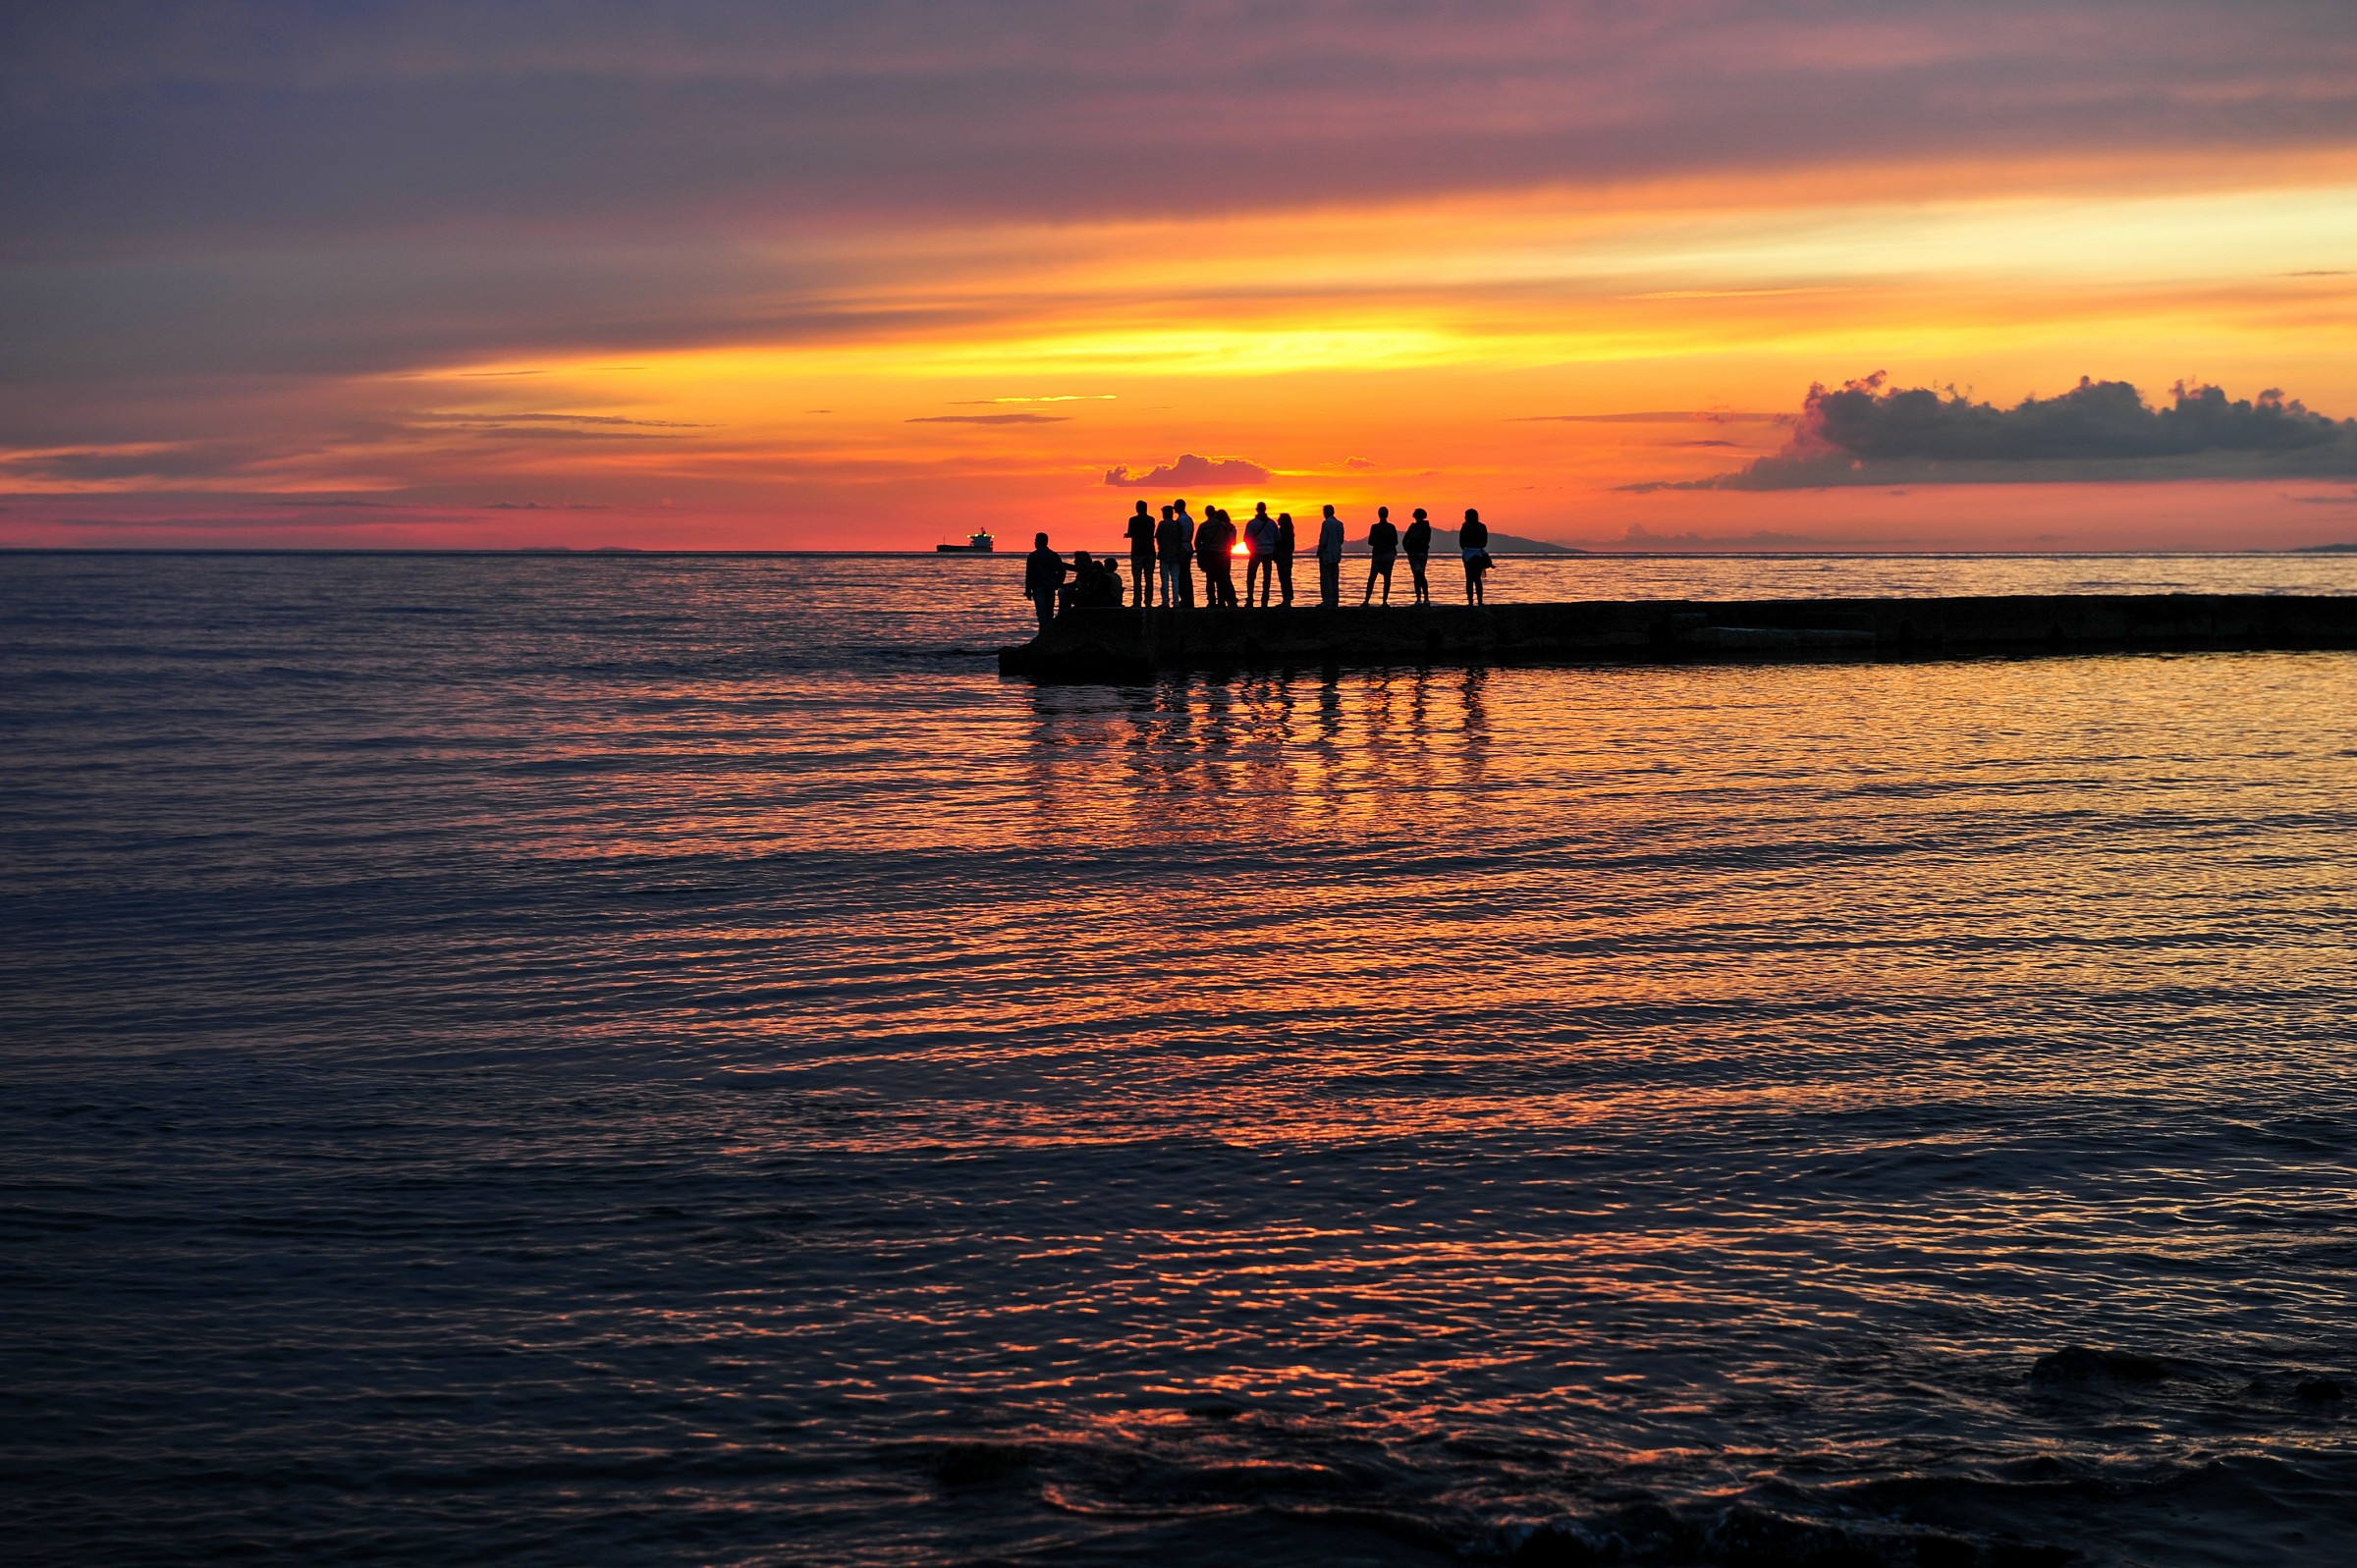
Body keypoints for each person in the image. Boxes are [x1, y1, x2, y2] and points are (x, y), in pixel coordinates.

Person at [1023, 531, 1067, 635]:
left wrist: (1028, 590)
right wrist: (1058, 583)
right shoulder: (1054, 555)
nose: (1034, 542)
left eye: (1036, 540)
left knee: (1041, 612)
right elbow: (1062, 571)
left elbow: (1030, 574)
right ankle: (1049, 634)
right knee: (1049, 612)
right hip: (1050, 587)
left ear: (1039, 542)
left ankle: (1043, 635)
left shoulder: (1033, 556)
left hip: (1038, 587)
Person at [1158, 501, 1195, 610]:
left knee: (1178, 577)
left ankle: (1177, 600)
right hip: (1183, 549)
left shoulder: (1180, 521)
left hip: (1179, 549)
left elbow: (1163, 538)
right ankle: (1180, 601)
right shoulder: (1187, 519)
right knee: (1180, 577)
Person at [1244, 502, 1280, 607]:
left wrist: (1251, 549)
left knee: (1251, 576)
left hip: (1255, 552)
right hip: (1268, 552)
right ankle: (1265, 600)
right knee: (1267, 577)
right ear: (1265, 509)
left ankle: (1250, 598)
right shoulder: (1272, 523)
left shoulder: (1252, 523)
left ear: (1257, 509)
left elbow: (1246, 538)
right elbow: (1278, 538)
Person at [1362, 505, 1398, 605]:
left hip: (1378, 555)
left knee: (1372, 578)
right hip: (1389, 555)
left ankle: (1366, 600)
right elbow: (1395, 542)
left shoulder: (1374, 527)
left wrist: (1379, 543)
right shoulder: (1391, 527)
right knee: (1387, 578)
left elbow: (1370, 542)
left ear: (1378, 515)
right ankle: (1384, 601)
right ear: (1387, 515)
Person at [1124, 501, 1158, 607]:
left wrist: (1128, 535)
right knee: (1149, 578)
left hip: (1137, 551)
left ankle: (1137, 601)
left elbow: (1131, 533)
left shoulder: (1133, 520)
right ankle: (1148, 601)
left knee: (1137, 578)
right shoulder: (1151, 519)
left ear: (1137, 509)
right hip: (1150, 551)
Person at [1315, 505, 1345, 608]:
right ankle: (1335, 599)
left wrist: (1319, 551)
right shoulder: (1339, 524)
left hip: (1327, 554)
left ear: (1326, 513)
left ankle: (1327, 600)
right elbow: (1341, 540)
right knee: (1334, 577)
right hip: (1336, 554)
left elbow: (1323, 539)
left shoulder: (1326, 524)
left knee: (1326, 577)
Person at [1460, 508, 1492, 605]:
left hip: (1468, 554)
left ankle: (1470, 601)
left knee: (1469, 578)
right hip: (1479, 553)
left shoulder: (1465, 527)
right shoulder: (1482, 527)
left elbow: (1461, 542)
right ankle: (1480, 601)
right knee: (1477, 579)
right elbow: (1485, 542)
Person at [1403, 508, 1433, 605]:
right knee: (1421, 574)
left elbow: (1405, 539)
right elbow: (1427, 540)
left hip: (1414, 553)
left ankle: (1419, 599)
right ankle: (1426, 598)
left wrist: (1408, 549)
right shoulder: (1426, 527)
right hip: (1422, 553)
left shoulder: (1413, 527)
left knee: (1417, 575)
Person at [1275, 511, 1296, 605]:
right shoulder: (1290, 532)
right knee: (1287, 577)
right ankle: (1288, 597)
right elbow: (1292, 547)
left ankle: (1286, 598)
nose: (1277, 520)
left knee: (1283, 578)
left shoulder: (1281, 532)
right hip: (1288, 557)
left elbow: (1279, 543)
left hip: (1282, 557)